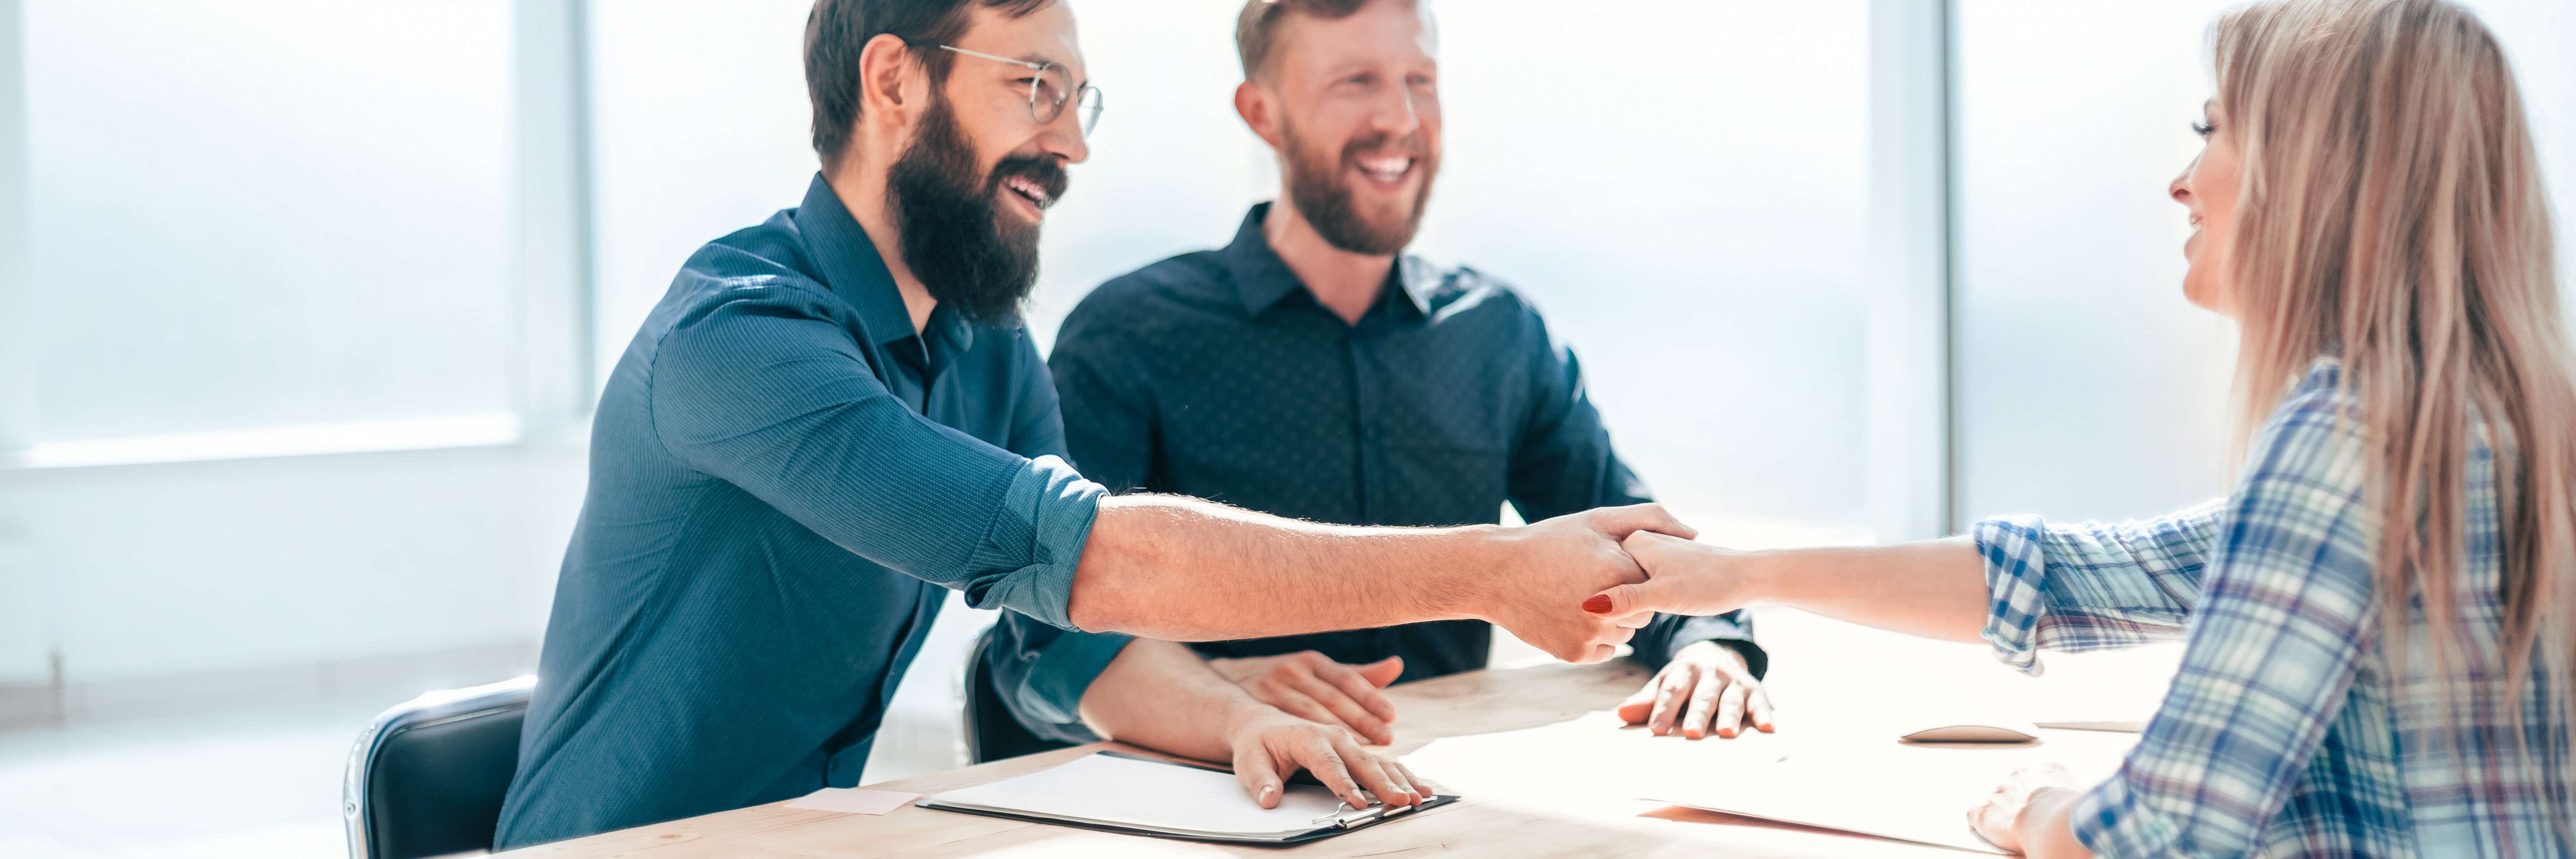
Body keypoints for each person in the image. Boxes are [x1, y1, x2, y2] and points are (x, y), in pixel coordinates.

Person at [492, 0, 1693, 848]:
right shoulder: (740, 342)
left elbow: (1069, 631)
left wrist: (1241, 720)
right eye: (1033, 86)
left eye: (1077, 99)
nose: (1070, 142)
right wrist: (1493, 572)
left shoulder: (984, 342)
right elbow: (1105, 559)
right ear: (895, 79)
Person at [1592, 0, 2576, 855]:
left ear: (2318, 172)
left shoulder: (2349, 441)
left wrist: (2037, 811)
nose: (2181, 181)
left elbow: (2158, 838)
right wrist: (1742, 575)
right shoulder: (2494, 427)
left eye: (2212, 129)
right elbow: (2088, 572)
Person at [975, 0, 1769, 770]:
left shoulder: (1499, 333)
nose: (1400, 118)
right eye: (1354, 81)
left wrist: (1709, 647)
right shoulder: (1131, 333)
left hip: (1440, 794)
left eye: (1418, 80)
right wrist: (1207, 690)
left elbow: (1630, 549)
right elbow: (1038, 638)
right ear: (1263, 114)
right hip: (1221, 797)